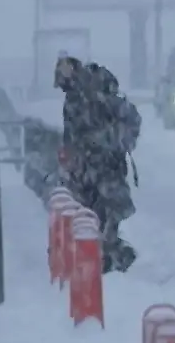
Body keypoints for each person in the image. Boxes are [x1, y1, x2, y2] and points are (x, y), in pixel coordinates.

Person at [55, 55, 141, 273]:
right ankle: (104, 260)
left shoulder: (99, 95)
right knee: (88, 217)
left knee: (107, 215)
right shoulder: (72, 99)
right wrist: (68, 159)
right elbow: (71, 134)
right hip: (85, 170)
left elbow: (131, 120)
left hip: (106, 167)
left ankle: (114, 261)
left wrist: (104, 139)